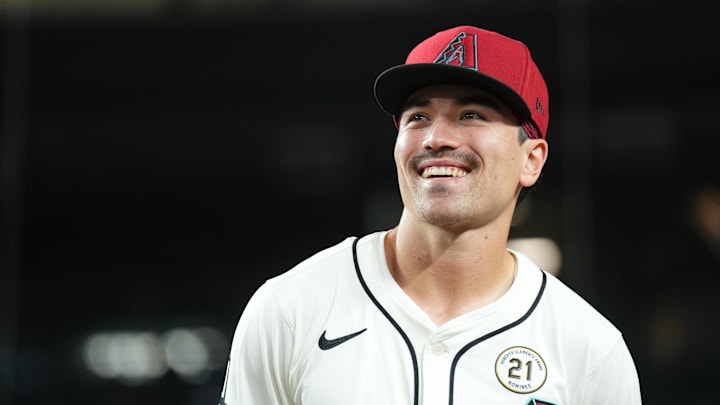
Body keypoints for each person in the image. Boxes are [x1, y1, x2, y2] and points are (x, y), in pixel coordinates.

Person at [218, 25, 642, 404]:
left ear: (531, 160)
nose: (436, 137)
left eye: (471, 114)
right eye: (417, 117)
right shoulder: (290, 309)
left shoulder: (589, 349)